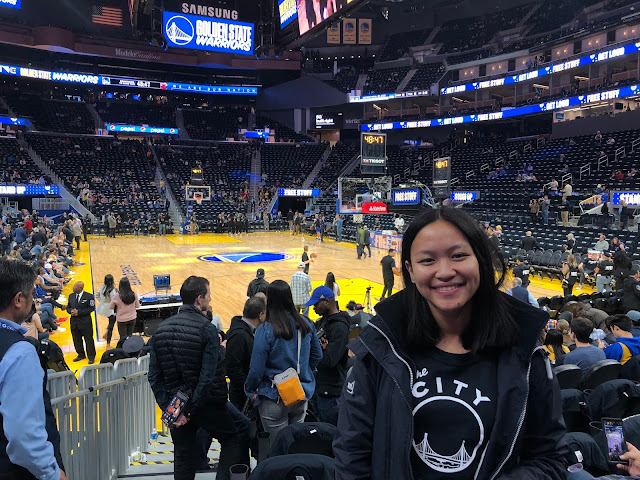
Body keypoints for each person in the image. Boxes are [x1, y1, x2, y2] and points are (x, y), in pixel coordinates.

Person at [333, 207, 568, 479]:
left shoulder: (525, 350)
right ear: (409, 270)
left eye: (458, 256)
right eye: (427, 260)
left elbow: (550, 456)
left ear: (480, 259)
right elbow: (352, 455)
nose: (444, 272)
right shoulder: (381, 345)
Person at [148, 276, 249, 480]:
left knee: (183, 456)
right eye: (208, 296)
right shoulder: (207, 329)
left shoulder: (160, 330)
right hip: (207, 404)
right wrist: (192, 409)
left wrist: (173, 411)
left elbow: (154, 377)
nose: (210, 300)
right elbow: (207, 377)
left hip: (177, 404)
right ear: (199, 298)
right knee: (233, 437)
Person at [0, 260, 66, 480]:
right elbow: (23, 436)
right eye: (30, 294)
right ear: (18, 299)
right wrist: (52, 473)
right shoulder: (19, 352)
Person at [244, 280, 322, 438]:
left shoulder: (265, 329)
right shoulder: (306, 323)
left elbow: (256, 369)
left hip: (274, 396)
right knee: (294, 447)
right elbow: (317, 355)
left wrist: (250, 390)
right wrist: (305, 371)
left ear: (269, 301)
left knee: (277, 449)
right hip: (300, 392)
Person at [306, 286, 350, 425]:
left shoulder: (339, 327)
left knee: (329, 430)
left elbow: (330, 360)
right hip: (319, 387)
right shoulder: (323, 322)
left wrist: (309, 359)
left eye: (316, 304)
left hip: (331, 390)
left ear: (327, 302)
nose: (313, 308)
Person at [226, 297, 266, 409]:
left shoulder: (247, 330)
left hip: (246, 392)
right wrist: (249, 390)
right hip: (242, 396)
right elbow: (233, 369)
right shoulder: (239, 335)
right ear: (260, 315)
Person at [66, 281, 96, 364]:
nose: (73, 287)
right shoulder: (71, 296)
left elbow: (91, 308)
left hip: (85, 322)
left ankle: (91, 356)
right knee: (76, 340)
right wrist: (70, 311)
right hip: (74, 323)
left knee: (89, 340)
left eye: (75, 286)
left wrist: (79, 312)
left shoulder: (89, 296)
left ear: (80, 288)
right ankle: (81, 354)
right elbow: (68, 307)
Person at [96, 274, 117, 348]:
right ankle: (108, 345)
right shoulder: (113, 290)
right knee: (111, 325)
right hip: (110, 310)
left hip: (103, 309)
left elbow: (96, 295)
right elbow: (114, 301)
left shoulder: (102, 287)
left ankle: (106, 333)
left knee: (111, 322)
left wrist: (102, 302)